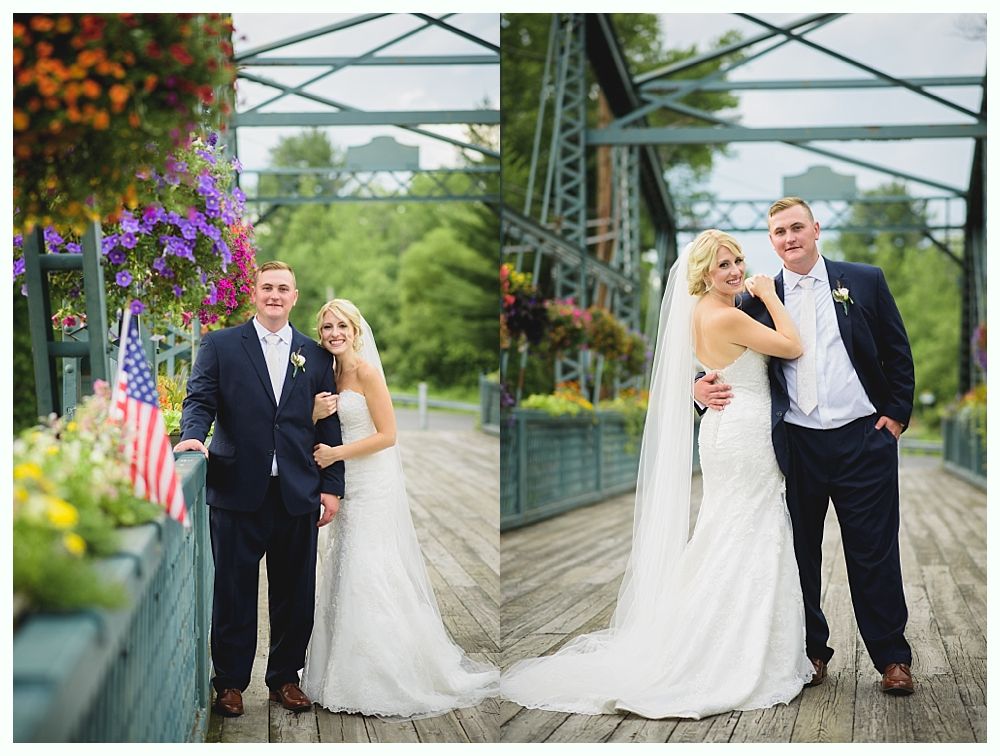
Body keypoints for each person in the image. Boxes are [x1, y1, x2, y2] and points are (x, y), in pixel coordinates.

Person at [500, 230, 815, 719]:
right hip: (747, 433)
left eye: (736, 261)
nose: (734, 271)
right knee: (751, 531)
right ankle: (731, 652)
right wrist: (771, 296)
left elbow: (700, 368)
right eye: (722, 265)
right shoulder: (730, 313)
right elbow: (792, 347)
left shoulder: (694, 316)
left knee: (723, 531)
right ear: (703, 273)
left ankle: (713, 636)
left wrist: (698, 387)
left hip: (719, 430)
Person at [695, 197, 915, 696]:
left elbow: (897, 351)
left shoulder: (863, 281)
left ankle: (892, 659)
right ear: (771, 241)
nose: (789, 237)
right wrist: (696, 388)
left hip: (864, 438)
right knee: (798, 553)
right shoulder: (752, 300)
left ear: (816, 230)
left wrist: (896, 416)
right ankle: (810, 652)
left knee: (874, 553)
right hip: (794, 444)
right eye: (779, 232)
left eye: (797, 227)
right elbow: (719, 353)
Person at [300, 299, 499, 719]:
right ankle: (332, 671)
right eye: (327, 328)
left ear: (356, 330)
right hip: (343, 482)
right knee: (340, 569)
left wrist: (336, 453)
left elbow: (388, 435)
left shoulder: (367, 372)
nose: (334, 333)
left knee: (367, 566)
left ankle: (379, 673)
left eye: (341, 326)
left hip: (370, 480)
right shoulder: (326, 372)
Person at [175, 261, 345, 717]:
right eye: (267, 287)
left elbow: (328, 423)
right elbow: (200, 398)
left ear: (294, 296)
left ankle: (285, 679)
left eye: (283, 288)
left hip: (296, 492)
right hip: (236, 490)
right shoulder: (221, 344)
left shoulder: (314, 354)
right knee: (233, 592)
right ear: (255, 293)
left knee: (295, 594)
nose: (274, 295)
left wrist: (331, 487)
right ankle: (229, 683)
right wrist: (193, 435)